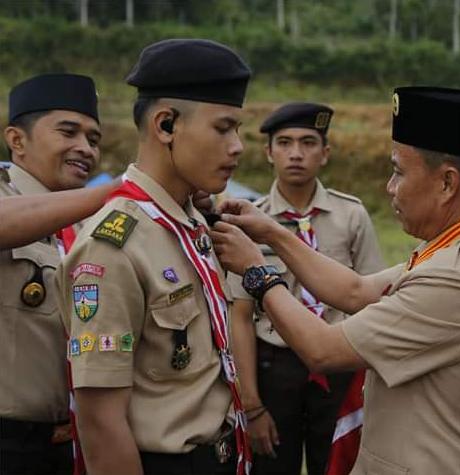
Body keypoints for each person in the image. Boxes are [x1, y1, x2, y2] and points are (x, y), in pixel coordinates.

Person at [212, 86, 460, 474]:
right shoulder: (457, 250)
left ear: (447, 184)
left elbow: (324, 349)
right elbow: (357, 291)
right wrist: (273, 233)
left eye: (398, 172)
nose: (390, 187)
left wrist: (258, 271)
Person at [55, 39, 252, 475]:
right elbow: (101, 423)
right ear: (166, 126)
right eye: (223, 128)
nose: (237, 146)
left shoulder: (190, 222)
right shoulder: (112, 247)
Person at [226, 102, 384, 475]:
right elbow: (241, 316)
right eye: (284, 142)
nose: (296, 153)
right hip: (275, 367)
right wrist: (252, 404)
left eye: (308, 142)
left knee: (336, 465)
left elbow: (372, 301)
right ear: (268, 153)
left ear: (325, 153)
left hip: (340, 364)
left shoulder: (351, 216)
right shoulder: (250, 220)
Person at [0, 73, 101, 475]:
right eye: (68, 132)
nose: (85, 149)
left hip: (70, 442)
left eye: (93, 139)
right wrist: (117, 192)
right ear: (17, 139)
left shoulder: (89, 225)